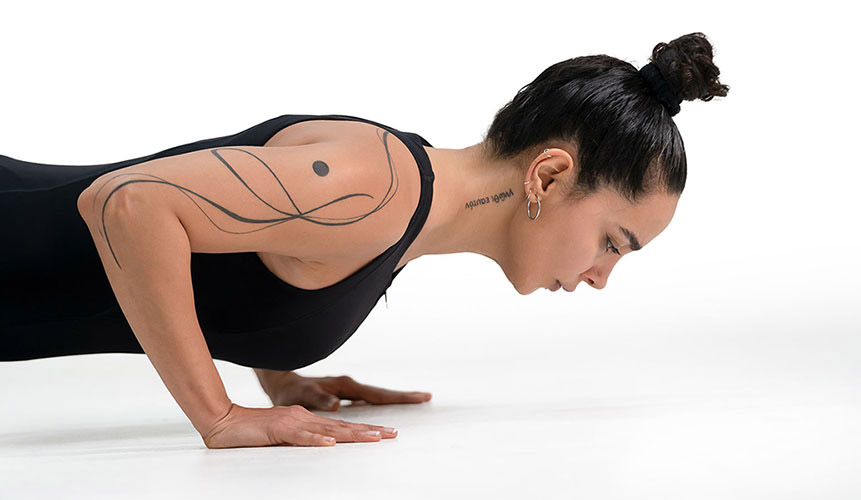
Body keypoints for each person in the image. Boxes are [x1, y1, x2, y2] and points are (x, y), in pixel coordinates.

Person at [0, 32, 729, 449]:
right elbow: (130, 204)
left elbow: (237, 253)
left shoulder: (406, 212)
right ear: (548, 175)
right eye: (612, 242)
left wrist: (280, 374)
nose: (600, 275)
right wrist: (217, 416)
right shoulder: (380, 187)